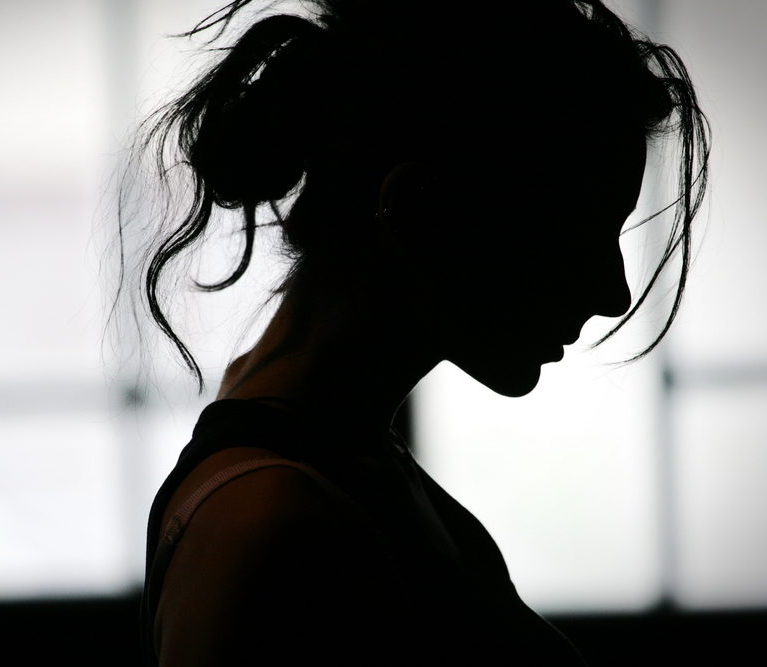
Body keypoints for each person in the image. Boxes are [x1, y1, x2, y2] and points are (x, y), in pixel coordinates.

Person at [115, 1, 710, 664]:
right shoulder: (269, 523)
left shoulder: (344, 464)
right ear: (418, 210)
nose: (613, 292)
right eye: (578, 237)